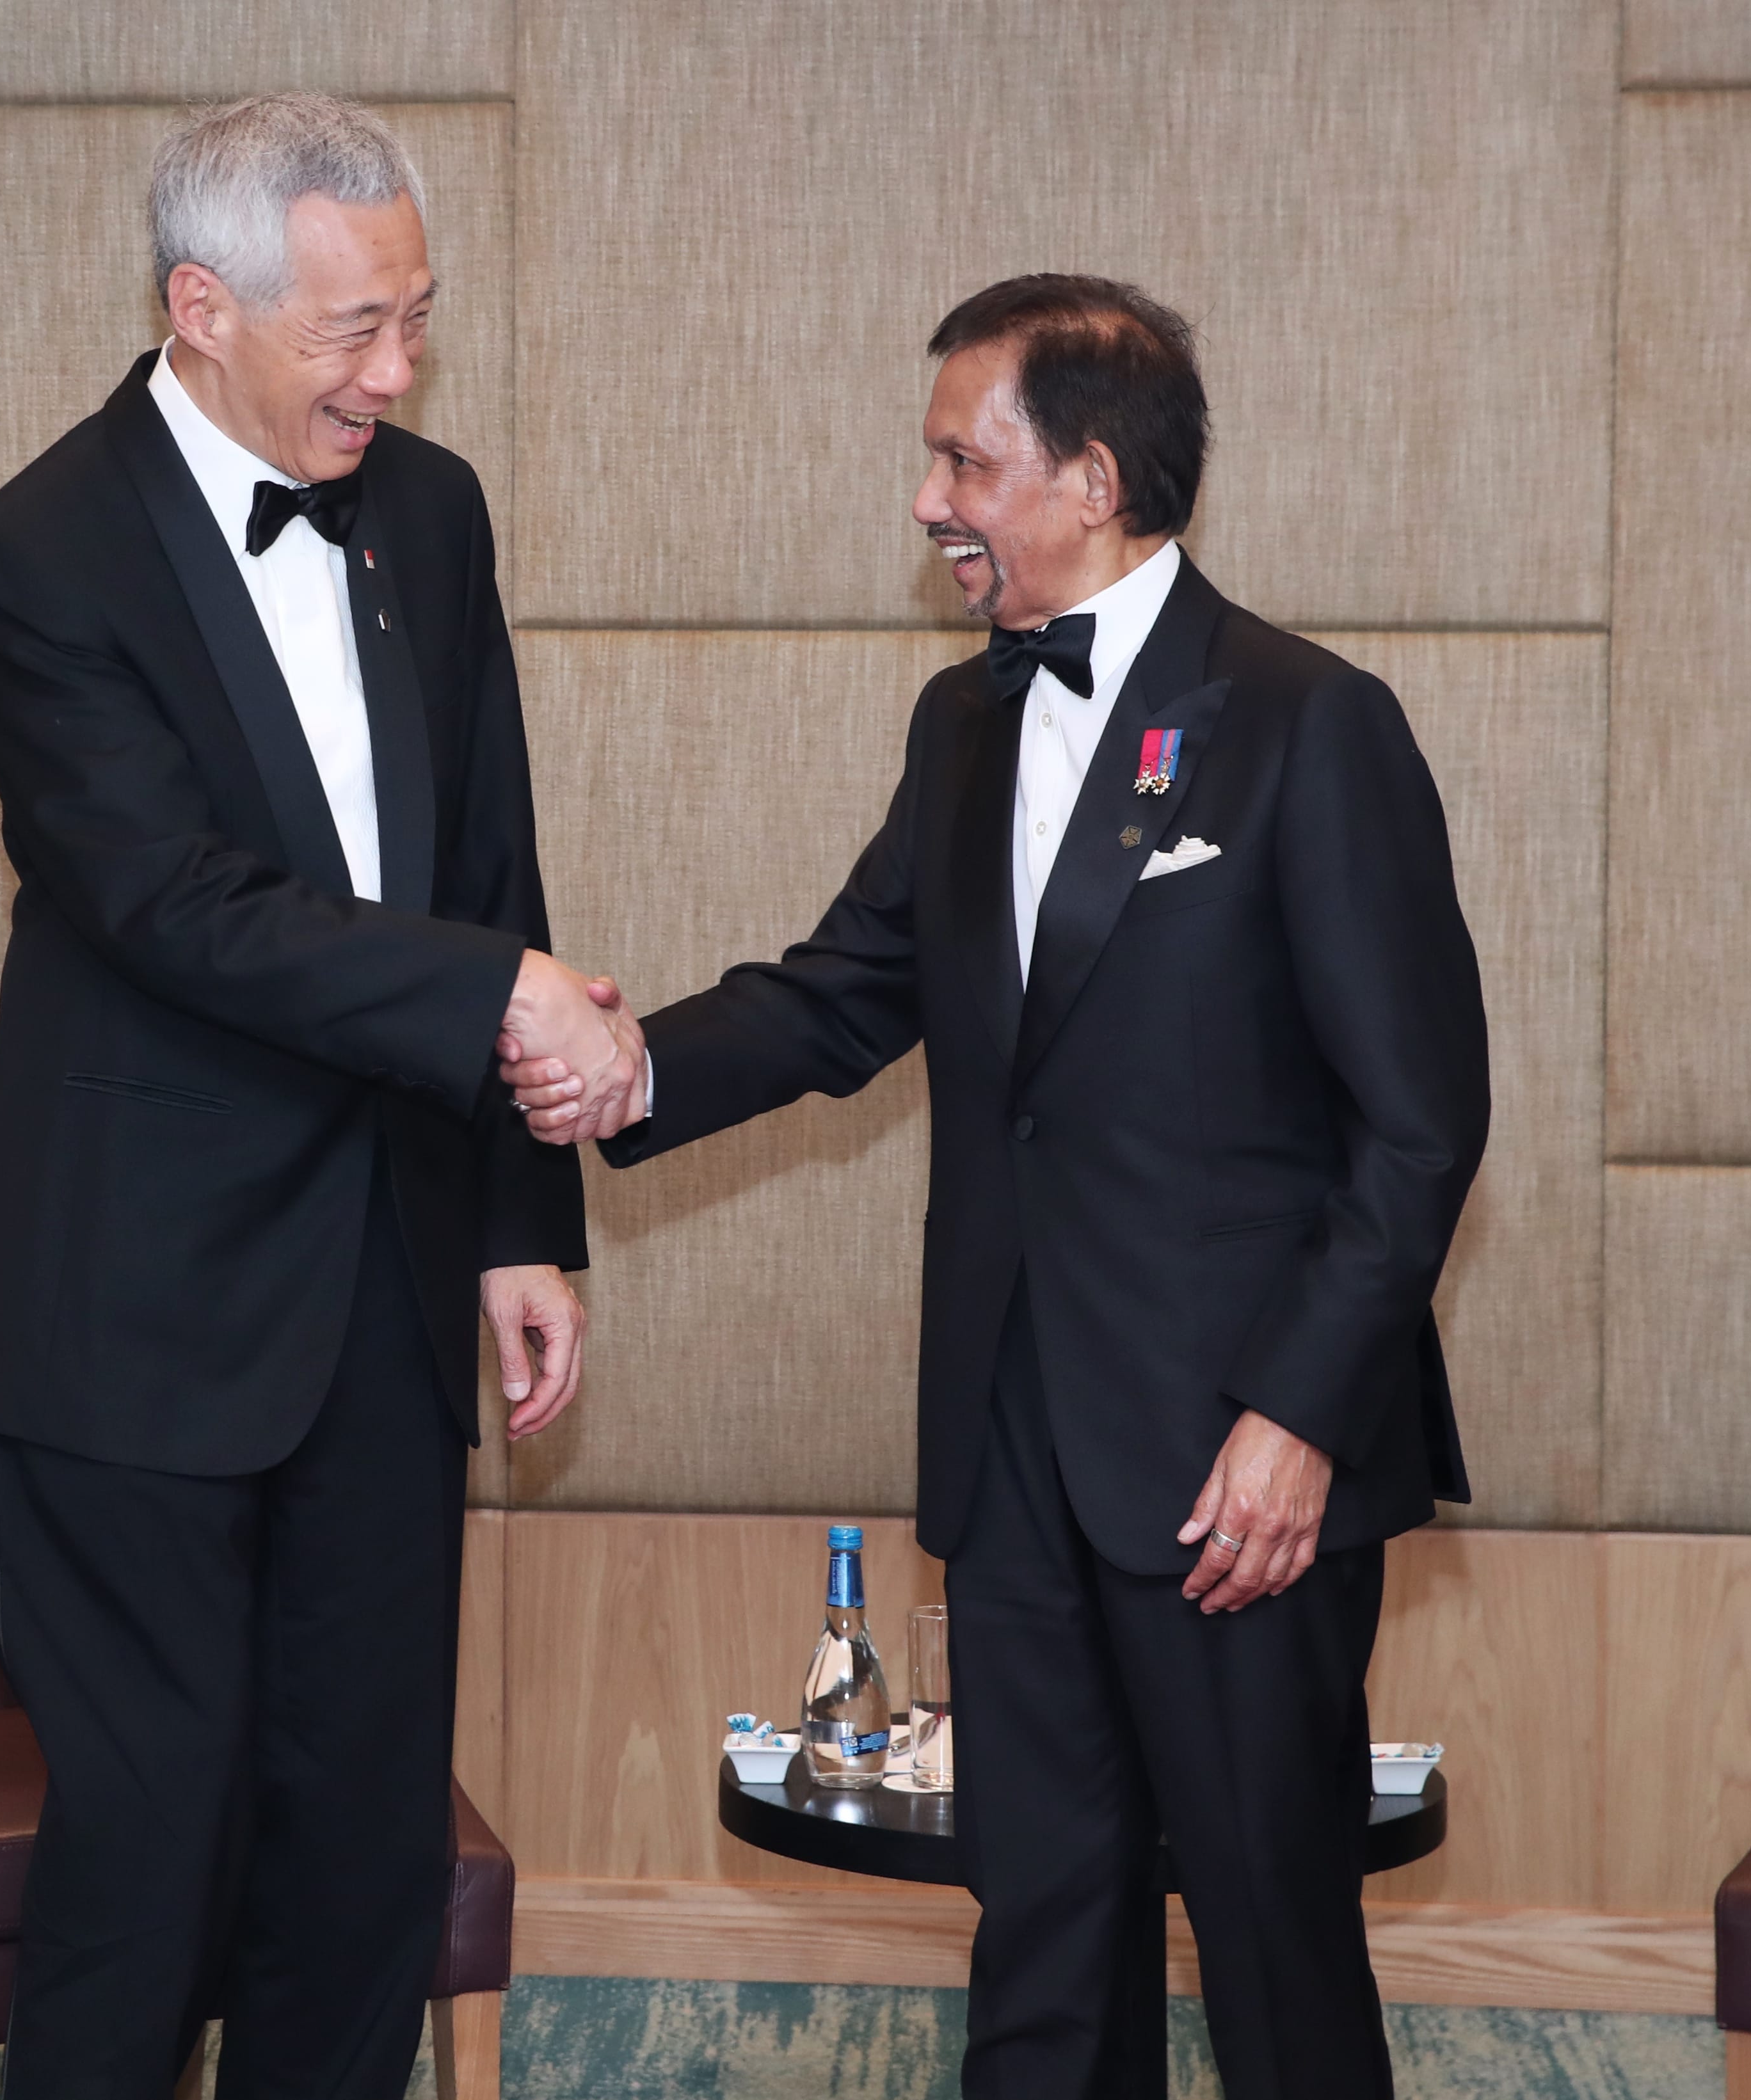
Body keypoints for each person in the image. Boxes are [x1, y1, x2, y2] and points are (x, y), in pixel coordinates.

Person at [507, 275, 1487, 2099]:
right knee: (1038, 1936)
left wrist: (1297, 1415)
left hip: (1230, 1471)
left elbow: (1420, 1122)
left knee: (1277, 1943)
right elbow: (844, 990)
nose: (928, 498)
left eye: (965, 457)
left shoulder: (1304, 722)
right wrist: (630, 1071)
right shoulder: (960, 728)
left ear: (1090, 477)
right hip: (1013, 1444)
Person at [0, 93, 643, 2099]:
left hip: (392, 1286)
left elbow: (490, 863)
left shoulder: (430, 509)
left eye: (416, 317)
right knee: (151, 1852)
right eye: (352, 330)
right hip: (137, 1315)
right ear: (200, 307)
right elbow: (172, 904)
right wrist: (493, 987)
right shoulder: (30, 557)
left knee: (358, 1853)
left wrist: (522, 1219)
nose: (395, 371)